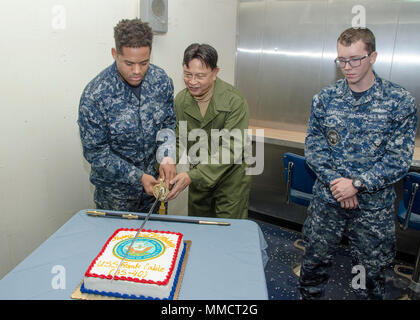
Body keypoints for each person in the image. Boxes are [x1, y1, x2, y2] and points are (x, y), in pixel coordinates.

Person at [299, 27, 417, 300]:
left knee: (367, 278)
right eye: (341, 60)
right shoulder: (325, 99)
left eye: (355, 59)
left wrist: (357, 185)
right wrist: (337, 184)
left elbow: (398, 159)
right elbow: (314, 148)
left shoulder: (398, 101)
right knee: (313, 268)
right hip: (328, 203)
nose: (347, 67)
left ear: (373, 56)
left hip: (371, 212)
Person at [78, 19, 176, 212]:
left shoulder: (161, 81)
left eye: (144, 62)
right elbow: (96, 154)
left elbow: (168, 124)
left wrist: (166, 156)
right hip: (115, 199)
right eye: (129, 63)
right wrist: (138, 176)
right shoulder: (95, 95)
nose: (137, 71)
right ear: (115, 54)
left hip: (155, 194)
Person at [163, 43, 251, 219]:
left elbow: (231, 148)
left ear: (215, 73)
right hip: (198, 178)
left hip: (230, 177)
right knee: (199, 225)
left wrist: (192, 175)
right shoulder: (181, 101)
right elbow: (178, 138)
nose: (192, 82)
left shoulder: (234, 101)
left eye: (200, 76)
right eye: (188, 75)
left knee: (228, 228)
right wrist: (168, 158)